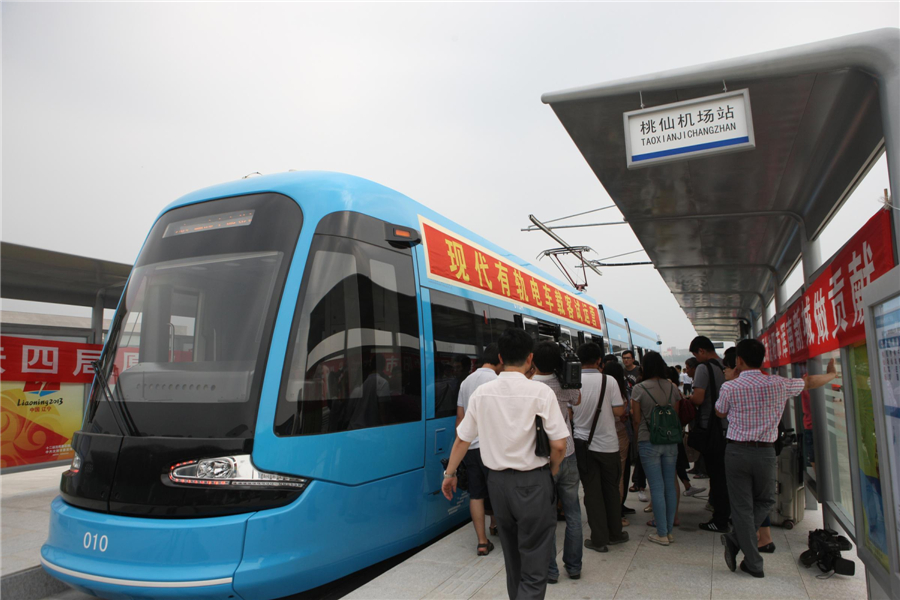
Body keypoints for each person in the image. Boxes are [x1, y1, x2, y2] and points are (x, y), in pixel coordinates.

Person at [442, 328, 568, 600]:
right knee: (535, 561)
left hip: (497, 484)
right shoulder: (540, 392)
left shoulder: (482, 393)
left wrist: (449, 473)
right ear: (530, 358)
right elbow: (559, 445)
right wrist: (552, 471)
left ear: (500, 357)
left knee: (513, 560)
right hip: (534, 482)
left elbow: (462, 439)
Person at [717, 339, 838, 578]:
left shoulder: (729, 387)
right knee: (766, 500)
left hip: (736, 452)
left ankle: (737, 541)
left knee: (741, 507)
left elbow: (720, 411)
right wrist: (832, 375)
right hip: (765, 453)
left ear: (739, 360)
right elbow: (809, 382)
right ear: (761, 360)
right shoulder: (779, 383)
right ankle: (752, 561)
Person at [532, 341, 583, 583]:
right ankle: (574, 567)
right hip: (569, 454)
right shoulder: (565, 385)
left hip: (542, 458)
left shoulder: (529, 386)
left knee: (546, 515)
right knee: (573, 512)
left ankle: (550, 570)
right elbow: (578, 399)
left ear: (532, 360)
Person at [572, 342, 629, 552]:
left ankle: (599, 539)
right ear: (599, 361)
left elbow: (569, 413)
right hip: (608, 445)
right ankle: (616, 533)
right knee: (612, 490)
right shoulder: (610, 380)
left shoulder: (573, 381)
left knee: (592, 492)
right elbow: (618, 411)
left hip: (583, 445)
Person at [631, 352, 682, 546]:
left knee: (657, 487)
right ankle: (668, 531)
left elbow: (636, 419)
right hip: (670, 442)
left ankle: (661, 533)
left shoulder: (639, 389)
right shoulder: (672, 387)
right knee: (669, 484)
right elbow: (674, 417)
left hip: (648, 440)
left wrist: (638, 439)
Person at [456, 343, 502, 556]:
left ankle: (482, 542)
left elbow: (460, 419)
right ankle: (499, 527)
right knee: (499, 491)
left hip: (472, 447)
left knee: (476, 494)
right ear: (500, 360)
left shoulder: (466, 382)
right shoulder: (497, 380)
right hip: (493, 447)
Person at [688, 336, 730, 533]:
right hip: (728, 428)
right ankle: (725, 513)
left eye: (695, 354)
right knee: (725, 474)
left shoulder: (704, 368)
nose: (696, 358)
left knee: (717, 476)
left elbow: (698, 398)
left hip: (711, 427)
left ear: (702, 351)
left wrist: (688, 398)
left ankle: (720, 519)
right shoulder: (726, 366)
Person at [602, 360, 633, 525]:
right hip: (619, 434)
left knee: (603, 476)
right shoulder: (621, 391)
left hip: (600, 435)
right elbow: (622, 414)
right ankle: (617, 512)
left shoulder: (598, 388)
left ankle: (605, 510)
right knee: (618, 475)